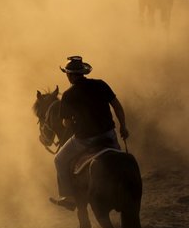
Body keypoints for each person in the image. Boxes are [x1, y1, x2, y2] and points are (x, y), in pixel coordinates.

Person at [49, 56, 130, 211]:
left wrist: (72, 121)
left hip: (84, 140)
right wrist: (123, 127)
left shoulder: (68, 95)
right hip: (109, 135)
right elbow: (117, 107)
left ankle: (69, 197)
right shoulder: (101, 84)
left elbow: (65, 123)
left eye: (67, 74)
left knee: (59, 159)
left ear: (71, 75)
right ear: (83, 72)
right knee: (121, 159)